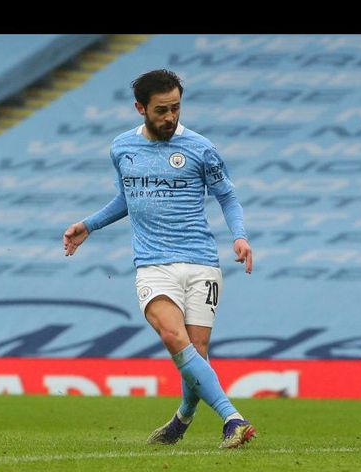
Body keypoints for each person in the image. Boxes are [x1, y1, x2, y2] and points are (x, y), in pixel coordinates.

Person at [63, 69, 256, 449]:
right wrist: (90, 224)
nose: (170, 117)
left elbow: (228, 197)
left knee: (196, 354)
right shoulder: (122, 148)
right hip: (153, 263)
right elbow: (127, 198)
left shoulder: (201, 148)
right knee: (173, 336)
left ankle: (182, 418)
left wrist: (240, 237)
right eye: (162, 110)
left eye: (176, 108)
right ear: (140, 108)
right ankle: (233, 418)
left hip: (201, 262)